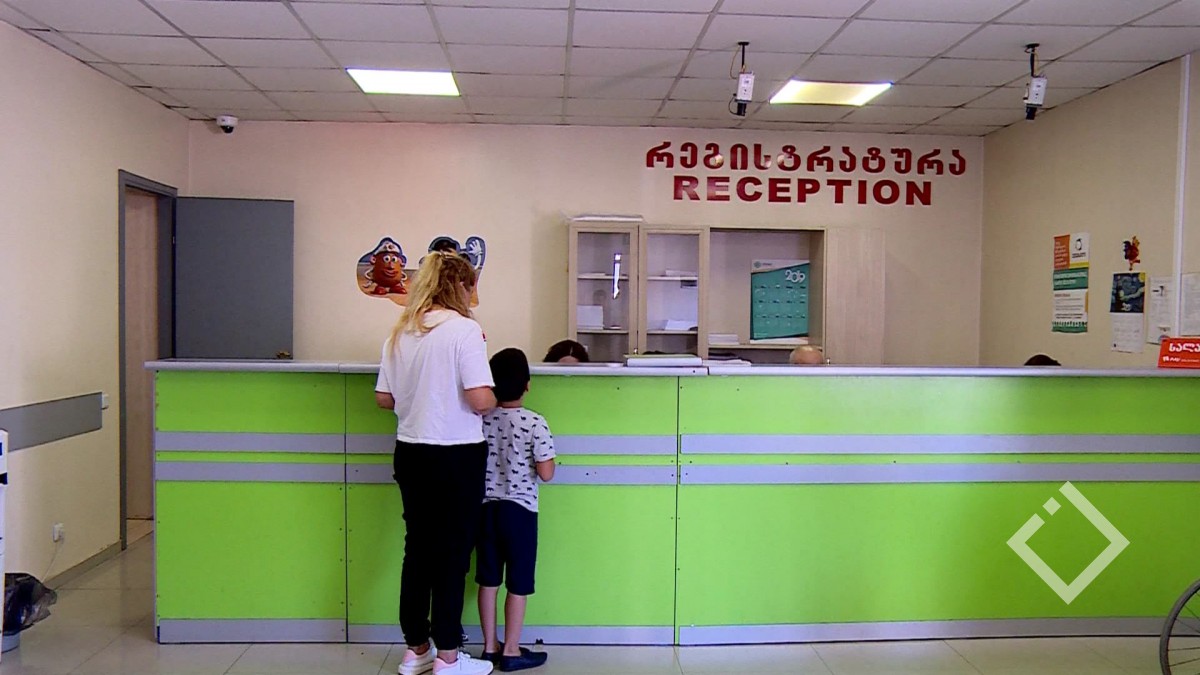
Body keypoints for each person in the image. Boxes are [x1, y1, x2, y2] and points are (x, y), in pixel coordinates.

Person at [375, 251, 498, 675]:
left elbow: (384, 398)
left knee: (418, 551)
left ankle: (416, 649)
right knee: (452, 555)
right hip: (456, 454)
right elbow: (479, 398)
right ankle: (448, 655)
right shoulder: (465, 330)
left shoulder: (400, 332)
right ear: (458, 285)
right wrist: (493, 397)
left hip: (411, 452)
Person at [476, 348, 556, 672]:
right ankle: (511, 650)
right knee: (518, 583)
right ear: (527, 384)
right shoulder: (536, 423)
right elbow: (546, 473)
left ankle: (489, 647)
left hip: (485, 510)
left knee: (488, 580)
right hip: (521, 512)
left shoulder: (480, 420)